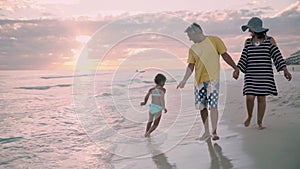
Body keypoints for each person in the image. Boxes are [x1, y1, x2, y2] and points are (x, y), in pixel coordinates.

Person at [177, 23, 239, 141]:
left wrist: (235, 67)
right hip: (199, 82)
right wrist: (184, 80)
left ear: (196, 33)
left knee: (213, 106)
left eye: (190, 35)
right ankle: (206, 132)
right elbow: (191, 65)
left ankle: (214, 132)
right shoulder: (193, 49)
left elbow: (225, 55)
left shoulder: (214, 40)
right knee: (202, 107)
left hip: (213, 79)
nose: (189, 39)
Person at [237, 17, 292, 129]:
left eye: (250, 29)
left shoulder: (270, 40)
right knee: (249, 97)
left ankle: (259, 122)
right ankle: (249, 115)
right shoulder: (248, 42)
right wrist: (237, 70)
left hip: (264, 74)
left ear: (255, 29)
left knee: (261, 98)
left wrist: (285, 69)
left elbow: (277, 56)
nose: (249, 31)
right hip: (251, 75)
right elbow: (243, 58)